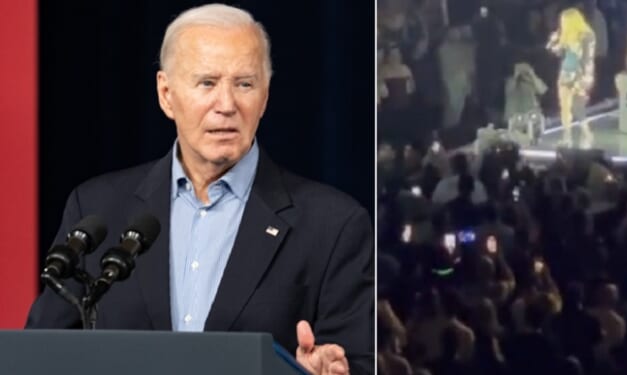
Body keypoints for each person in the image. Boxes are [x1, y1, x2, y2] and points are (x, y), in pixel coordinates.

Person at [26, 4, 373, 375]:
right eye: (207, 83)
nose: (226, 105)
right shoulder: (96, 209)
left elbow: (357, 362)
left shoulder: (333, 225)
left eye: (244, 84)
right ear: (166, 94)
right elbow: (41, 355)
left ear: (265, 97)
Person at [546, 7, 596, 148]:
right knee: (564, 106)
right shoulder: (565, 36)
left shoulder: (587, 36)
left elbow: (588, 58)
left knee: (577, 106)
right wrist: (553, 41)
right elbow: (554, 51)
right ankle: (566, 137)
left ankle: (587, 133)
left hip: (579, 74)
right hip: (565, 72)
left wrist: (587, 77)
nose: (562, 25)